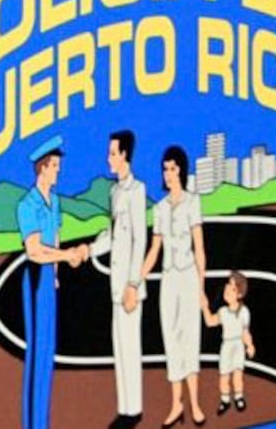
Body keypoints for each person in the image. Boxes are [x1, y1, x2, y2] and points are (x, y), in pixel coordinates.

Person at [16, 137, 93, 429]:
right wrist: (67, 255)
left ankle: (42, 422)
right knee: (36, 353)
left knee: (47, 353)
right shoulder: (27, 204)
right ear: (43, 169)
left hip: (49, 278)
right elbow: (34, 250)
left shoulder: (55, 201)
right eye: (55, 167)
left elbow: (56, 236)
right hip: (36, 278)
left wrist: (59, 270)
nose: (59, 172)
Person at [140, 144, 210, 426]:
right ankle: (175, 404)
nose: (168, 174)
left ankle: (194, 403)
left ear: (181, 169)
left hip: (189, 276)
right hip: (169, 278)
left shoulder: (193, 202)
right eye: (165, 169)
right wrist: (137, 278)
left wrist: (202, 287)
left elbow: (200, 248)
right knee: (171, 339)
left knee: (191, 338)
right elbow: (154, 250)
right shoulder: (159, 208)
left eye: (173, 168)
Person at [108, 128, 152, 429]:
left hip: (129, 287)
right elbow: (112, 236)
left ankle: (134, 410)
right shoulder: (114, 192)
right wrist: (86, 249)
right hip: (115, 285)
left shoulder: (137, 191)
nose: (108, 158)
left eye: (112, 153)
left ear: (125, 155)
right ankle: (125, 409)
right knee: (119, 348)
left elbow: (140, 239)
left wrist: (133, 284)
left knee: (130, 347)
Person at [208, 270, 253, 415]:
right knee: (224, 376)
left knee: (238, 374)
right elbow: (210, 322)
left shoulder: (244, 312)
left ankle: (239, 397)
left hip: (238, 346)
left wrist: (249, 345)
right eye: (228, 284)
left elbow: (245, 331)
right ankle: (225, 400)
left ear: (239, 294)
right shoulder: (222, 311)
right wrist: (204, 307)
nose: (227, 289)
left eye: (232, 288)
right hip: (226, 346)